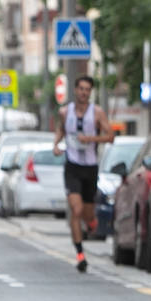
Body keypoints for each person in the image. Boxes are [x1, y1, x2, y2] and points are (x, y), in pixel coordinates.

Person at [52, 75, 113, 273]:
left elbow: (110, 136)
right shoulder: (64, 111)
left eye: (87, 89)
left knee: (87, 213)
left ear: (90, 92)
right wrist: (55, 145)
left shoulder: (97, 113)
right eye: (81, 89)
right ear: (75, 90)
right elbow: (61, 130)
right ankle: (80, 255)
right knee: (76, 210)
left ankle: (92, 222)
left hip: (90, 167)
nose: (83, 92)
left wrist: (91, 138)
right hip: (72, 166)